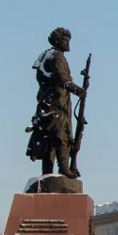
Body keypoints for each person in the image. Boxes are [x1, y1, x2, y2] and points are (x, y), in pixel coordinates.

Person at [28, 27, 85, 178]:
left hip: (50, 103)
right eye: (66, 41)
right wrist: (76, 89)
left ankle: (47, 172)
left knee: (50, 138)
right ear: (58, 41)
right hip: (56, 104)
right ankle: (64, 168)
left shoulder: (47, 55)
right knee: (61, 136)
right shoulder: (56, 56)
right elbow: (62, 78)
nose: (68, 44)